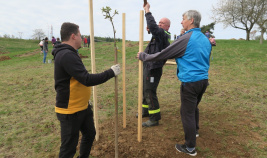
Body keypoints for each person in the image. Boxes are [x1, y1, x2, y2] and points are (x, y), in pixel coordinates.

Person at [137, 10, 212, 156]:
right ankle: (195, 131)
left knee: (186, 113)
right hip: (203, 81)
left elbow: (164, 53)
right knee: (193, 108)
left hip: (190, 82)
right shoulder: (204, 38)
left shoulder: (186, 38)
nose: (181, 21)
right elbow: (206, 57)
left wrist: (145, 56)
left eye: (183, 19)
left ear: (191, 20)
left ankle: (190, 147)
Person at [52, 22, 121, 158]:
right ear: (73, 36)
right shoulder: (66, 55)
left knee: (90, 134)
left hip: (82, 107)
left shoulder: (70, 53)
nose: (81, 37)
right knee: (68, 149)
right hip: (70, 110)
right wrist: (111, 72)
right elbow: (87, 79)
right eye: (79, 34)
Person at [137, 2, 171, 127]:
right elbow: (153, 29)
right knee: (144, 90)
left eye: (162, 23)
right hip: (148, 66)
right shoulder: (159, 35)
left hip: (154, 68)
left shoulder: (163, 34)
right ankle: (146, 111)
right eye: (159, 23)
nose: (159, 24)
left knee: (150, 91)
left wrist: (147, 10)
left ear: (167, 27)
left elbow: (152, 25)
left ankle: (154, 118)